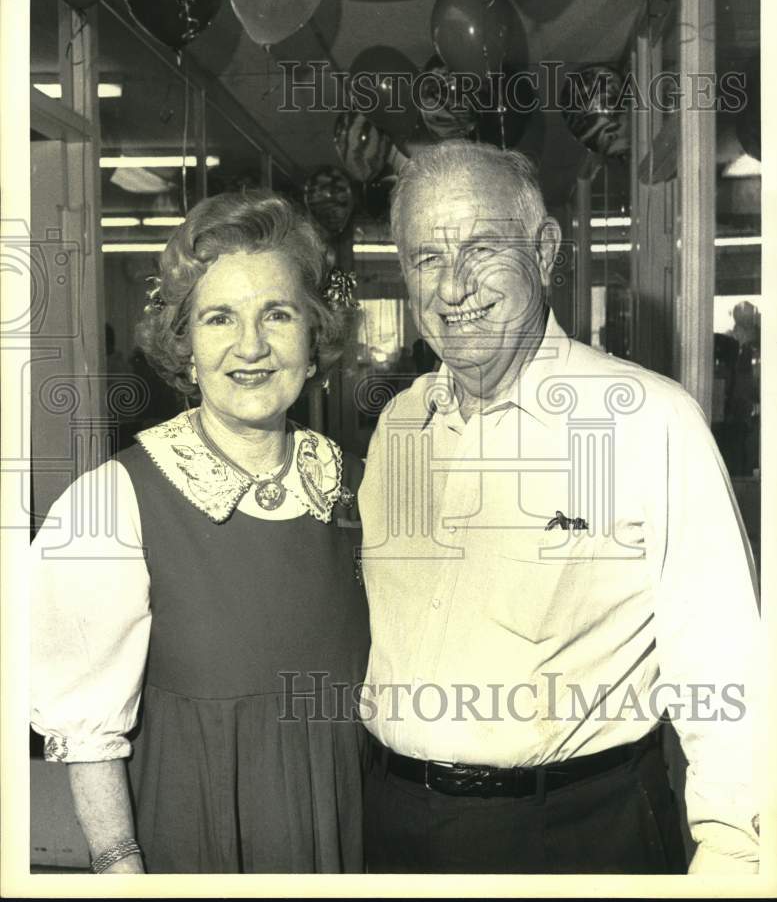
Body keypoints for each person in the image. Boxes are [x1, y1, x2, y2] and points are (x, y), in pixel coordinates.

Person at [357, 140, 760, 874]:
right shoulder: (398, 428)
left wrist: (734, 855)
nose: (453, 288)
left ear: (543, 252)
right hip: (392, 824)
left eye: (480, 248)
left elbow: (723, 665)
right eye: (425, 259)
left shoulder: (645, 421)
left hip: (572, 833)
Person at [31, 191, 369, 873]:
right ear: (185, 349)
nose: (250, 346)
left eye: (277, 314)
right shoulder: (113, 502)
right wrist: (120, 865)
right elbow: (88, 734)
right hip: (196, 832)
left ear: (313, 340)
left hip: (351, 825)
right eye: (219, 319)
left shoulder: (360, 485)